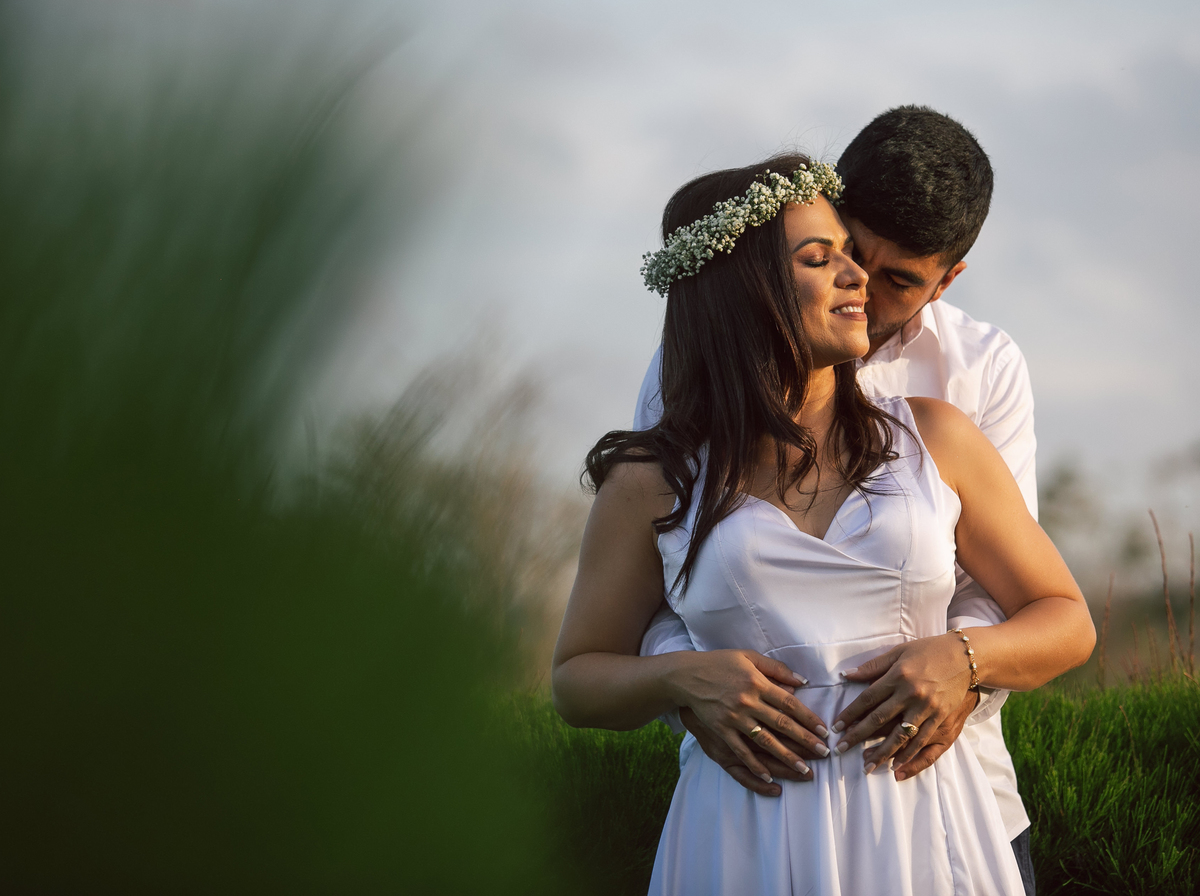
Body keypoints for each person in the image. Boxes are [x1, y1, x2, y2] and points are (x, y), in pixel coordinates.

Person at [550, 150, 1094, 894]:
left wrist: (962, 657)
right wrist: (681, 679)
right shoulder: (654, 478)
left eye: (852, 257)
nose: (857, 277)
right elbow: (577, 679)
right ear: (747, 291)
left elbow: (1065, 619)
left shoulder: (938, 435)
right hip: (748, 835)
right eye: (821, 257)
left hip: (930, 825)